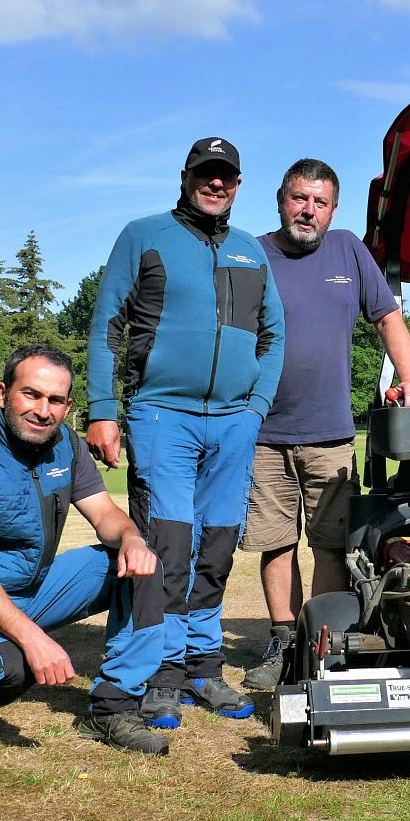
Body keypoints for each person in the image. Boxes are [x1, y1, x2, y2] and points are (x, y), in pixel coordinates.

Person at [85, 136, 285, 729]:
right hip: (160, 415)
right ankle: (163, 672)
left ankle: (203, 666)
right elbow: (107, 326)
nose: (215, 184)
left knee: (217, 547)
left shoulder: (251, 250)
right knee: (168, 545)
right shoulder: (143, 235)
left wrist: (255, 409)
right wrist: (102, 409)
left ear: (238, 185)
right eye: (206, 173)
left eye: (226, 176)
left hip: (234, 423)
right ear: (186, 176)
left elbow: (274, 335)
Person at [0, 345, 168, 755]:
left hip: (34, 588)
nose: (43, 411)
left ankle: (113, 708)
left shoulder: (66, 444)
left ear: (68, 406)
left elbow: (105, 515)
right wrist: (34, 641)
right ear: (2, 393)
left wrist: (133, 539)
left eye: (56, 400)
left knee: (143, 564)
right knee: (12, 669)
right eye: (31, 394)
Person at [238, 158, 410, 691]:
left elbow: (388, 318)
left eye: (320, 202)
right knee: (275, 543)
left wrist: (408, 377)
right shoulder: (253, 253)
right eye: (300, 198)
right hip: (262, 433)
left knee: (331, 545)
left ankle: (322, 643)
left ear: (333, 209)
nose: (308, 210)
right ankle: (283, 642)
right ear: (281, 200)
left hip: (331, 433)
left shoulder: (348, 249)